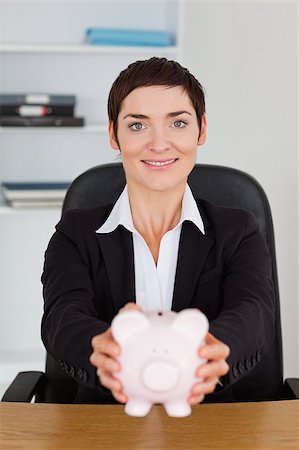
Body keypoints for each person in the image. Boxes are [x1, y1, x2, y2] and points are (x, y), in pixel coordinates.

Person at [41, 57, 275, 405]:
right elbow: (62, 317)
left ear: (202, 130)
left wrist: (216, 348)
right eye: (138, 126)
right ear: (112, 134)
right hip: (103, 421)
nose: (160, 143)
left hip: (212, 420)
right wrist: (99, 348)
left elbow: (254, 311)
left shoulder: (238, 230)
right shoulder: (75, 233)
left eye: (178, 123)